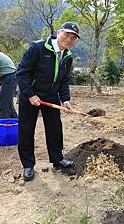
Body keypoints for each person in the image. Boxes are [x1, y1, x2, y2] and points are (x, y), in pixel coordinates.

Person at [16, 22, 80, 181]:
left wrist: (65, 100)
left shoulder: (68, 56)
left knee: (55, 128)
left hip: (51, 96)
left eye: (73, 38)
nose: (69, 39)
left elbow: (64, 80)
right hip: (29, 95)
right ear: (59, 32)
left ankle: (57, 159)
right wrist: (30, 95)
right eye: (67, 34)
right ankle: (28, 165)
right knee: (26, 130)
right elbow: (21, 73)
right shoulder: (38, 48)